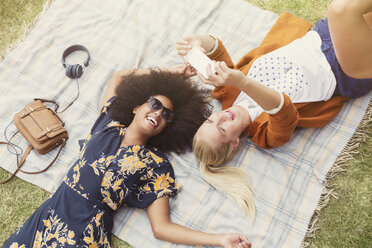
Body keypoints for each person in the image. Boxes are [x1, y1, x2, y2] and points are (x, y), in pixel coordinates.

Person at [4, 65, 252, 248]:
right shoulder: (107, 123)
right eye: (155, 104)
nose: (160, 113)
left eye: (167, 115)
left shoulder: (156, 165)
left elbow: (162, 228)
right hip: (48, 217)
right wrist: (170, 73)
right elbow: (118, 76)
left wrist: (219, 240)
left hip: (83, 235)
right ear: (136, 106)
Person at [176, 0, 372, 218]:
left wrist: (199, 42)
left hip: (321, 37)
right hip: (343, 71)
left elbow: (216, 50)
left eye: (211, 121)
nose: (220, 118)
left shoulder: (225, 93)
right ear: (234, 142)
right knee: (341, 8)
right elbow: (283, 109)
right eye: (221, 129)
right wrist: (242, 81)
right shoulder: (266, 136)